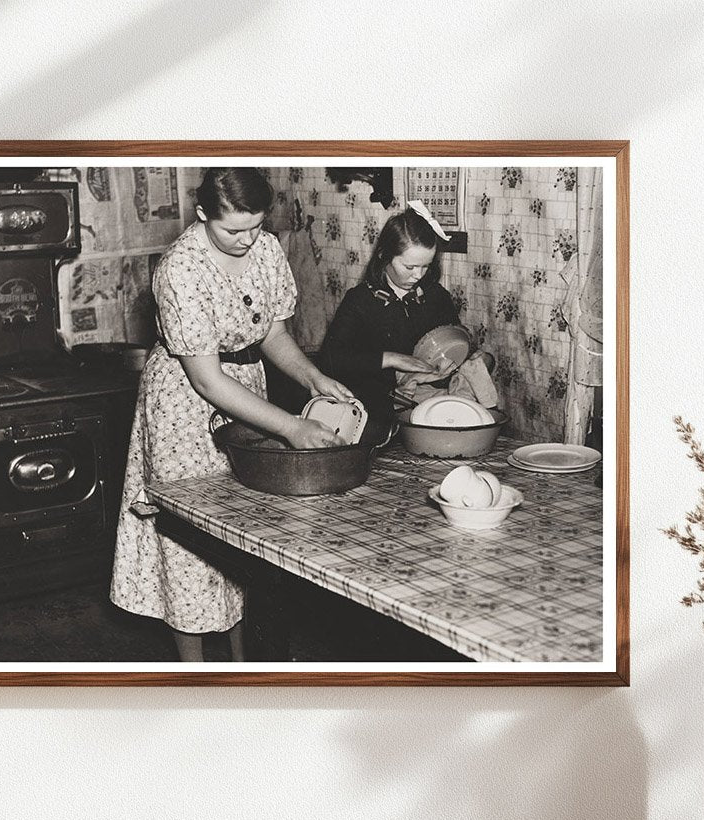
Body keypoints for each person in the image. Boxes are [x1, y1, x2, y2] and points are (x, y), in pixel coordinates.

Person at [110, 168, 352, 663]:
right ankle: (194, 669)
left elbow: (274, 337)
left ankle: (244, 665)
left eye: (256, 226)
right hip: (184, 405)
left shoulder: (264, 248)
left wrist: (312, 378)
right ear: (203, 214)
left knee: (245, 530)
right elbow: (206, 380)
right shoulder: (181, 268)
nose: (246, 241)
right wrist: (289, 425)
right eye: (232, 231)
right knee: (189, 533)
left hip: (248, 391)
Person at [319, 201, 493, 443]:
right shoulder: (360, 301)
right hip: (377, 413)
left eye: (426, 266)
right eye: (409, 266)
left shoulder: (436, 297)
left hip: (429, 407)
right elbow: (330, 360)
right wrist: (390, 359)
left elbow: (454, 343)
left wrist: (455, 363)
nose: (418, 276)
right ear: (384, 256)